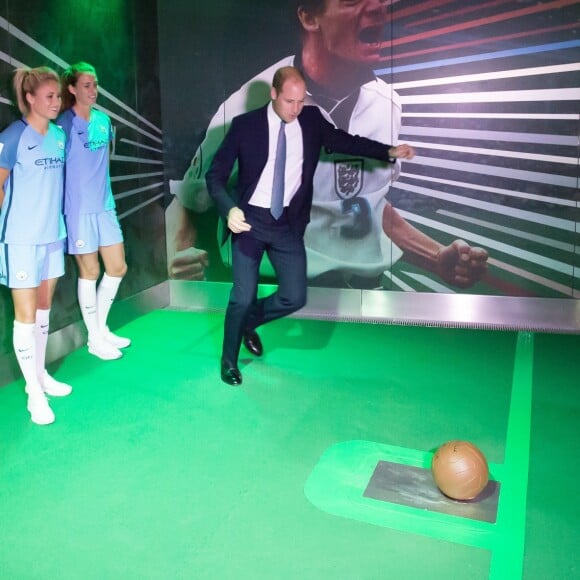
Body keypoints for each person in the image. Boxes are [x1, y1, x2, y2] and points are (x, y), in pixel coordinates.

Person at [168, 0, 488, 289]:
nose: (378, 7)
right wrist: (174, 259)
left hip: (363, 302)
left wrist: (436, 257)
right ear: (309, 16)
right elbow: (188, 201)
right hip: (271, 301)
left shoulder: (387, 104)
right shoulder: (249, 105)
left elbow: (367, 207)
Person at [206, 66, 415, 385]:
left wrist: (387, 151)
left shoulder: (311, 120)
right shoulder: (245, 127)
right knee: (242, 295)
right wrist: (229, 209)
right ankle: (229, 361)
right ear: (274, 94)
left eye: (301, 101)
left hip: (287, 224)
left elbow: (347, 142)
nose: (296, 109)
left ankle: (249, 322)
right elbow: (215, 176)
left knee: (294, 297)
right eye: (289, 101)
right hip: (249, 222)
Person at [0, 66, 72, 425]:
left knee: (43, 311)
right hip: (21, 240)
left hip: (52, 236)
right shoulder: (13, 136)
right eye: (49, 96)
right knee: (25, 317)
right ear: (29, 98)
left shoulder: (59, 136)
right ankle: (33, 393)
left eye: (59, 96)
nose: (57, 102)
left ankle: (40, 376)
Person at [58, 62, 131, 361]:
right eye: (86, 85)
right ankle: (94, 339)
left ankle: (100, 329)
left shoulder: (103, 120)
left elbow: (103, 163)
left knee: (118, 268)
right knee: (90, 272)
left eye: (95, 84)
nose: (93, 90)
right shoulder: (62, 125)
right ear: (72, 89)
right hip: (78, 211)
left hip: (105, 207)